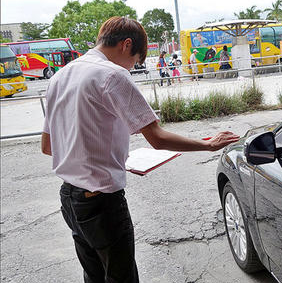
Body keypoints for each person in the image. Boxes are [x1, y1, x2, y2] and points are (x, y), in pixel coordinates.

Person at [41, 16, 240, 283]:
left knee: (94, 276)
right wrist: (207, 145)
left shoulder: (61, 76)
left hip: (69, 198)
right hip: (100, 203)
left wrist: (99, 157)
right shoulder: (112, 75)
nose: (132, 67)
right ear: (126, 45)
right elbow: (157, 138)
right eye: (135, 61)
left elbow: (48, 146)